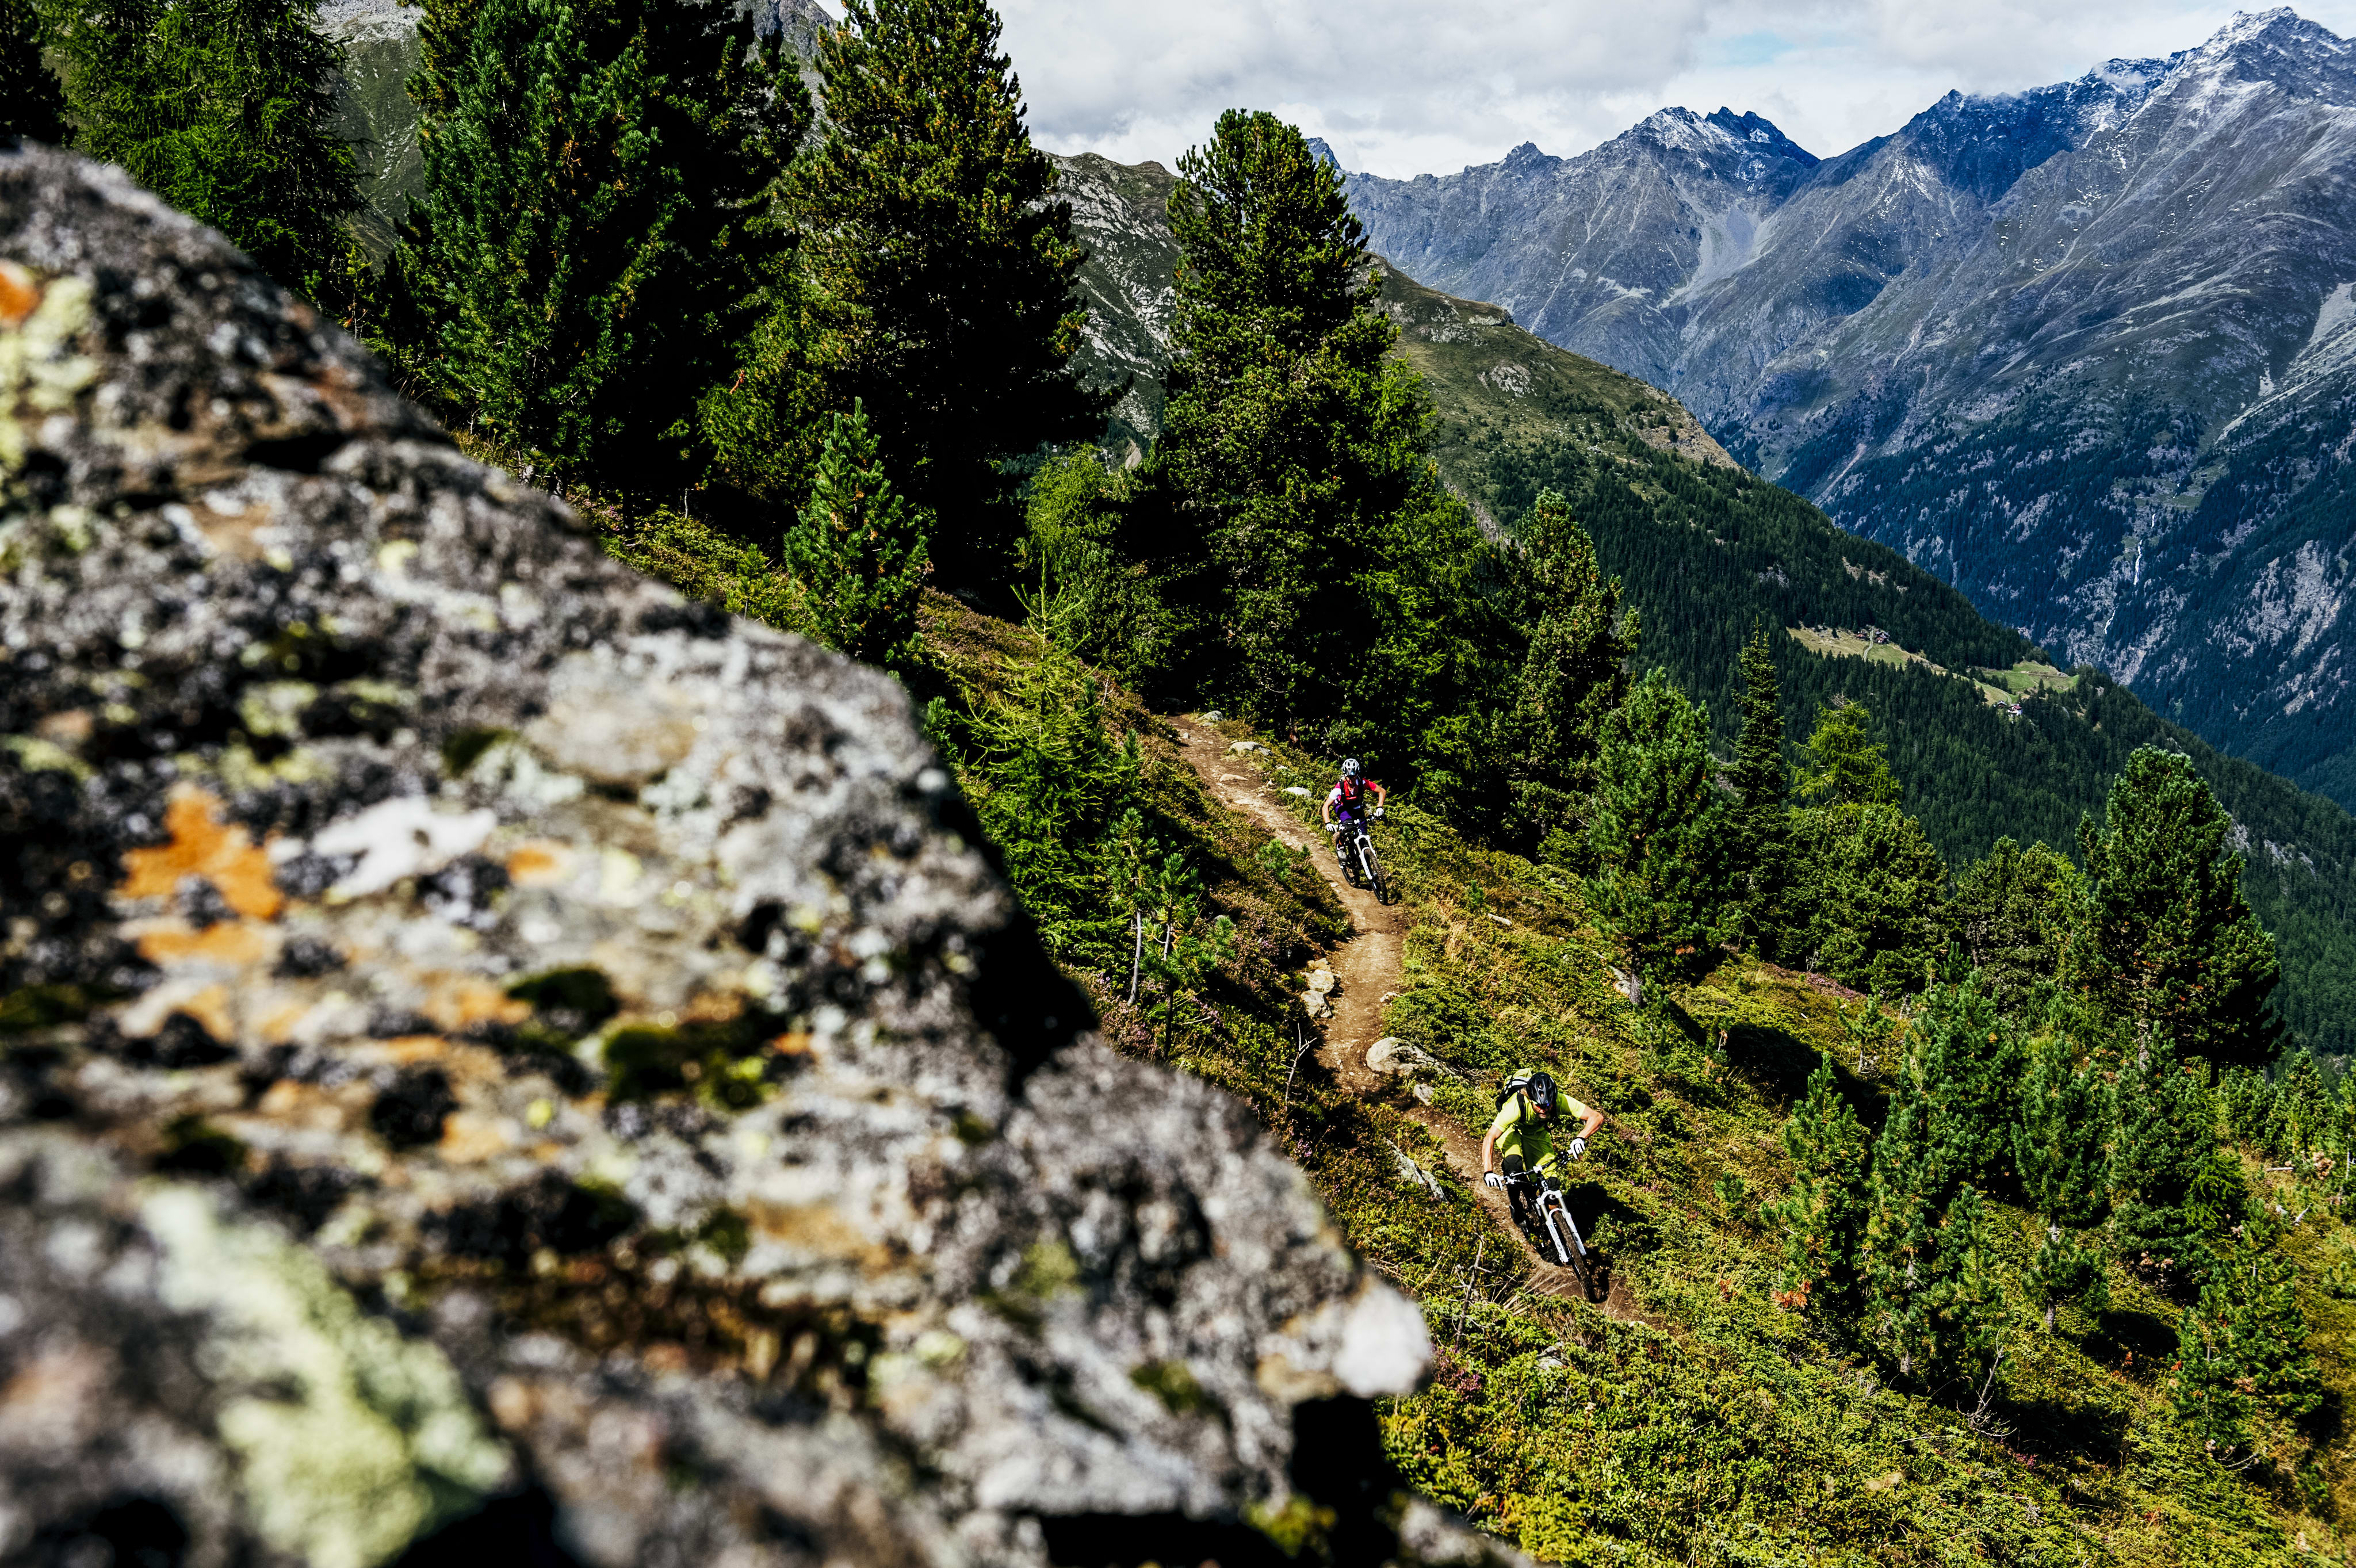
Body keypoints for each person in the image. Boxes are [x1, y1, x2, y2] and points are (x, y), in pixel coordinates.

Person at [1480, 1070, 1602, 1230]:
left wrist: (1581, 1137)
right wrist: (1488, 1171)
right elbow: (1490, 1137)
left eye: (1548, 1105)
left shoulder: (1559, 1100)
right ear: (1530, 1099)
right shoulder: (1516, 1105)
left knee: (1551, 1185)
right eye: (1538, 1105)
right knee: (1513, 1165)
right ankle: (1516, 1207)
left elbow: (1596, 1117)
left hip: (1537, 1134)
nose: (1544, 1109)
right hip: (1512, 1131)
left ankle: (1560, 1228)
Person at [1320, 758, 1387, 882]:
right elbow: (1326, 806)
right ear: (1345, 776)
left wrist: (1380, 808)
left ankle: (1368, 859)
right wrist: (1328, 822)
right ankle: (1340, 847)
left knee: (1364, 836)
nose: (1351, 780)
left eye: (1354, 776)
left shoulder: (1363, 783)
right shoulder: (1339, 788)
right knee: (1348, 827)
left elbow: (1382, 791)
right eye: (1349, 777)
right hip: (1343, 809)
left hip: (1357, 809)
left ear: (1357, 774)